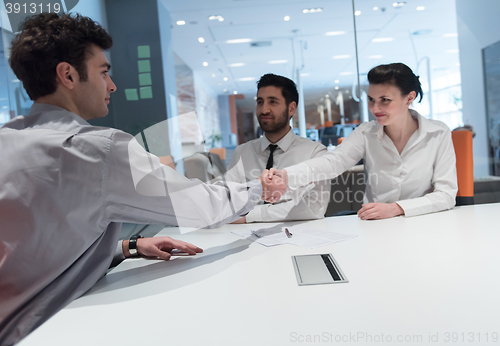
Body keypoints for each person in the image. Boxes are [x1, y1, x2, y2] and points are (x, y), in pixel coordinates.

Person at [0, 13, 285, 345]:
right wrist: (260, 187)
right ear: (67, 75)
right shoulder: (99, 150)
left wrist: (128, 247)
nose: (112, 85)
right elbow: (202, 208)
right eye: (103, 72)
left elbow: (33, 247)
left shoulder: (8, 139)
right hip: (44, 330)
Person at [270, 63, 457, 220]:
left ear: (409, 97)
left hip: (425, 223)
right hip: (376, 226)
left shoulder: (437, 133)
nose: (375, 108)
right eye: (371, 99)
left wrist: (397, 208)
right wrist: (285, 175)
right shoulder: (366, 133)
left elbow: (446, 195)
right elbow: (333, 162)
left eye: (385, 100)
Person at [226, 74, 330, 223]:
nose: (264, 110)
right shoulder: (241, 153)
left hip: (301, 238)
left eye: (273, 102)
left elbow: (314, 207)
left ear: (291, 108)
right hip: (245, 239)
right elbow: (229, 203)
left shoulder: (315, 153)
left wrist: (248, 216)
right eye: (260, 102)